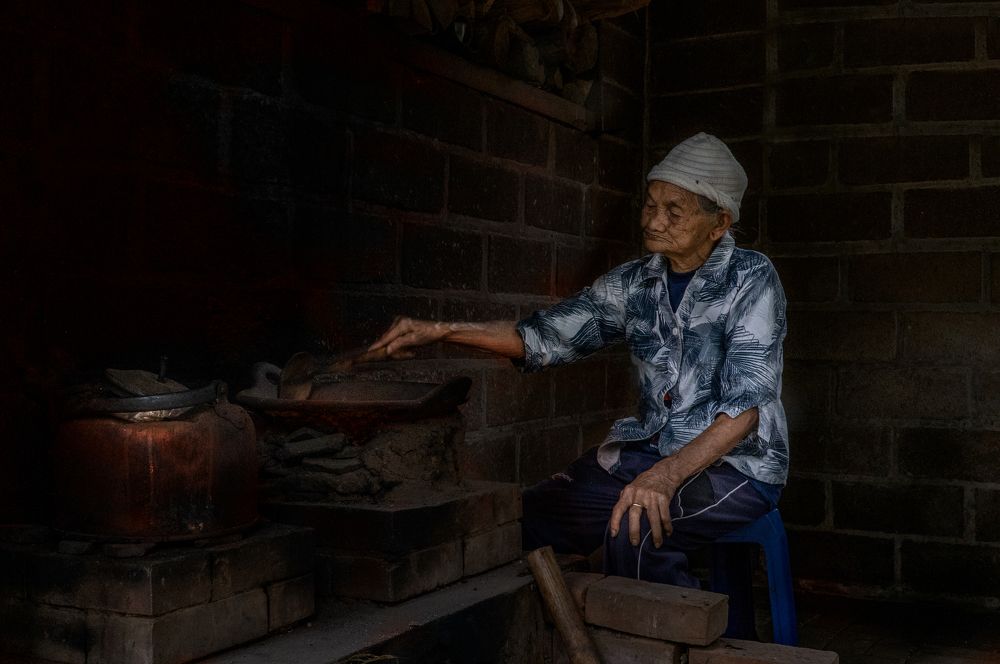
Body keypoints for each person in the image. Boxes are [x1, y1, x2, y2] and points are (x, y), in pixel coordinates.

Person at [369, 132, 788, 592]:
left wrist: (664, 475)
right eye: (650, 205)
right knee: (527, 515)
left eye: (674, 210)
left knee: (638, 528)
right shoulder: (634, 283)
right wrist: (442, 332)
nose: (654, 220)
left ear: (718, 222)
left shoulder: (751, 277)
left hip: (738, 465)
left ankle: (682, 648)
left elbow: (746, 409)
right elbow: (545, 337)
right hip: (649, 453)